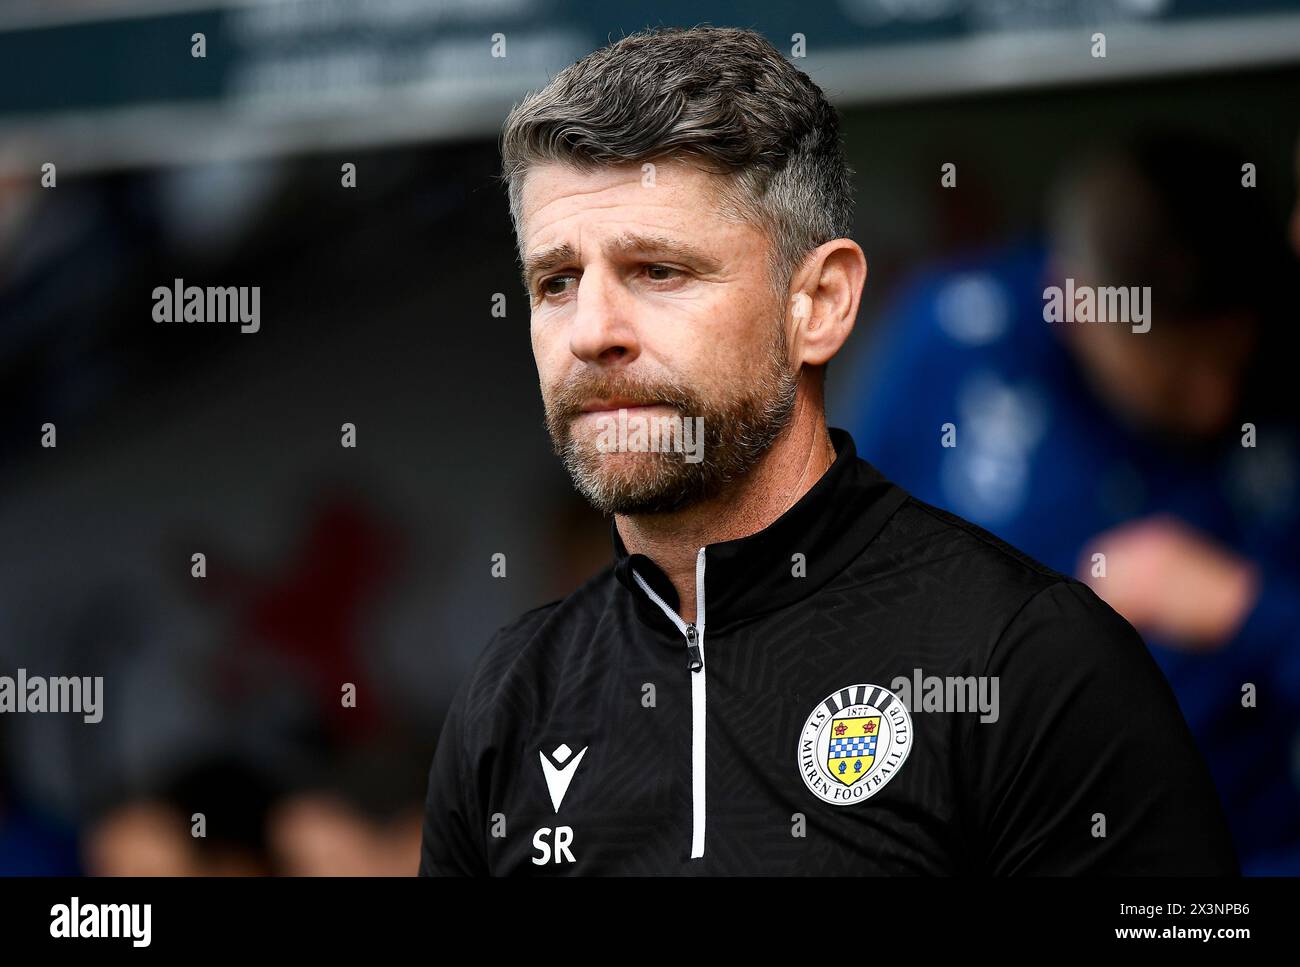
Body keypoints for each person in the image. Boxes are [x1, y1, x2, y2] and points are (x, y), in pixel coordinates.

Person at [419, 26, 1237, 875]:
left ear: (820, 303)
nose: (591, 332)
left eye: (658, 270)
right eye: (555, 282)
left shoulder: (1031, 660)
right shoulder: (508, 699)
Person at [842, 132, 1299, 873]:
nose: (1216, 402)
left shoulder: (1283, 371)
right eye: (1174, 378)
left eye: (1229, 364)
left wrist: (1242, 605)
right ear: (1078, 303)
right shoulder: (950, 342)